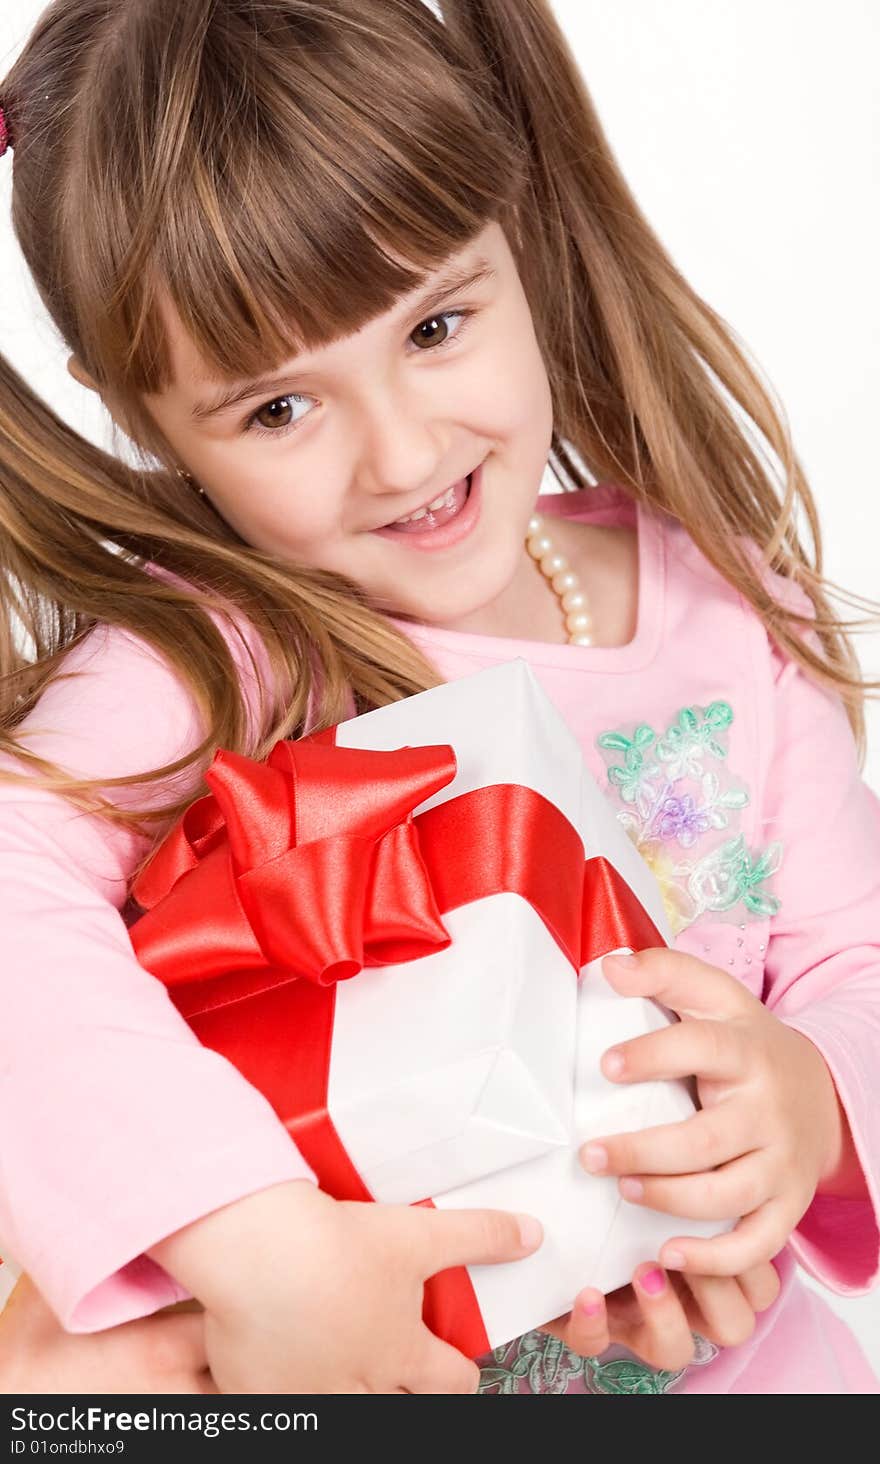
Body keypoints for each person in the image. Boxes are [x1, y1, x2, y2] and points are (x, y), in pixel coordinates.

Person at [0, 0, 877, 1397]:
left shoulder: (724, 609)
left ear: (518, 231)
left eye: (437, 324)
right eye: (278, 409)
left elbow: (855, 960)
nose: (402, 451)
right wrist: (260, 1250)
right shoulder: (216, 657)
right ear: (140, 414)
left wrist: (807, 1107)